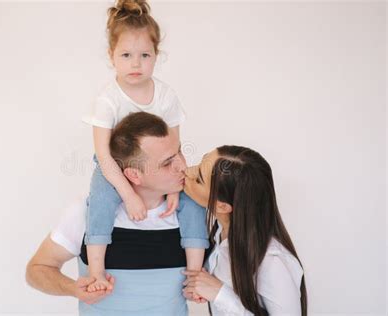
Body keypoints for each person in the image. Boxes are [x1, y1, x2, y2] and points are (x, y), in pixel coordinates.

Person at [26, 112, 209, 315]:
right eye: (167, 163)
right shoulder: (87, 212)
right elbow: (37, 269)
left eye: (180, 151)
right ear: (133, 175)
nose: (182, 165)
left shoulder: (194, 212)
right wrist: (72, 289)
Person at [81, 0, 205, 292]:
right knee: (100, 200)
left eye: (144, 55)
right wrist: (128, 194)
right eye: (126, 55)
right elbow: (103, 154)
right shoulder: (108, 99)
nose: (135, 64)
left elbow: (175, 147)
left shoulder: (165, 95)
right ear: (112, 56)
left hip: (157, 165)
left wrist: (175, 185)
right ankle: (97, 272)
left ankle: (196, 276)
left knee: (193, 201)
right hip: (115, 166)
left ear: (156, 56)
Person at [182, 146, 308, 315]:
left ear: (222, 206)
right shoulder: (220, 236)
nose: (188, 171)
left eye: (198, 179)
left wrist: (220, 294)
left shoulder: (272, 262)